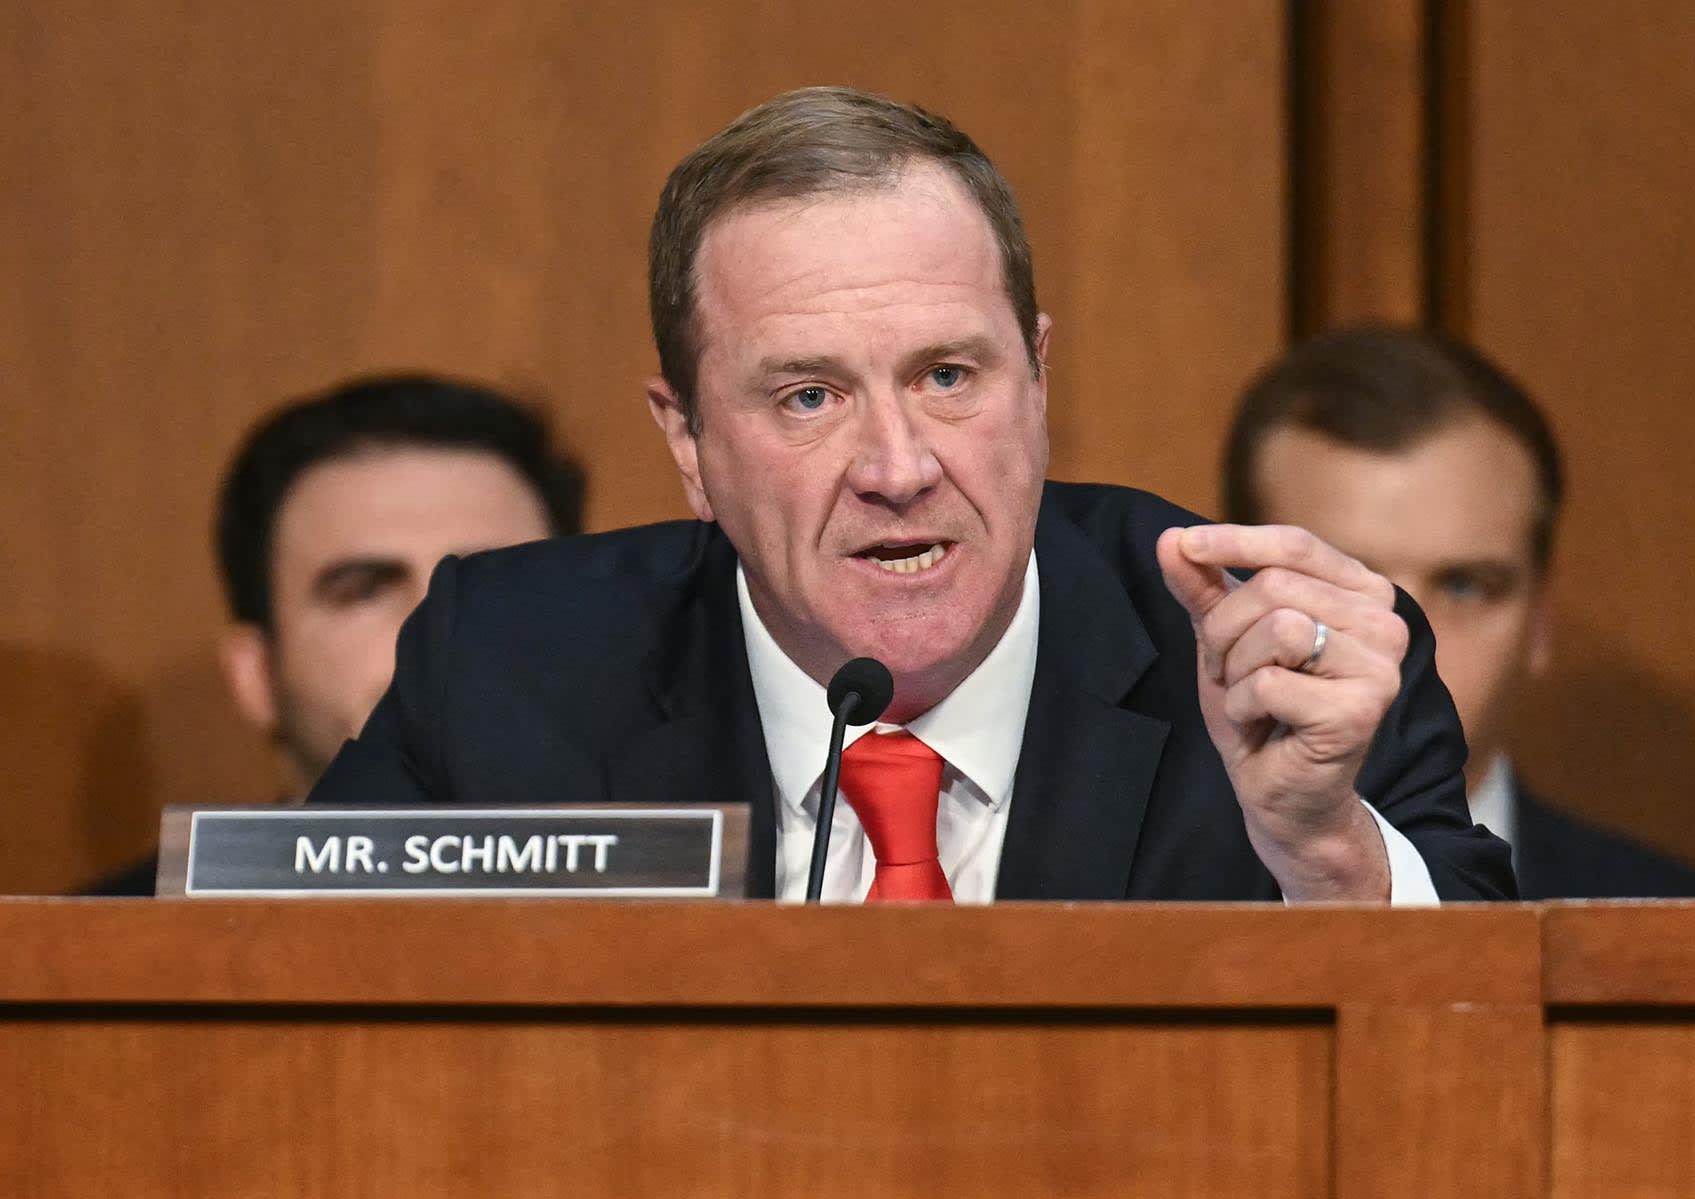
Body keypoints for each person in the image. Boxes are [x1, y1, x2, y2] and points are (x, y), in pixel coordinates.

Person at [309, 87, 1515, 904]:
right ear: (686, 441)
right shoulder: (508, 670)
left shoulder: (1273, 669)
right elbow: (278, 996)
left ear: (1038, 377)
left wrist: (1326, 853)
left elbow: (1487, 1075)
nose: (898, 467)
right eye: (807, 398)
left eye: (948, 376)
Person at [1222, 325, 1695, 898]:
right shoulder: (1119, 905)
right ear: (1238, 600)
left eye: (1465, 586)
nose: (1402, 642)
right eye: (1343, 581)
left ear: (1539, 620)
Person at [83, 374, 587, 894]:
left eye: (495, 581)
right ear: (256, 673)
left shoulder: (675, 926)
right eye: (364, 590)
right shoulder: (70, 959)